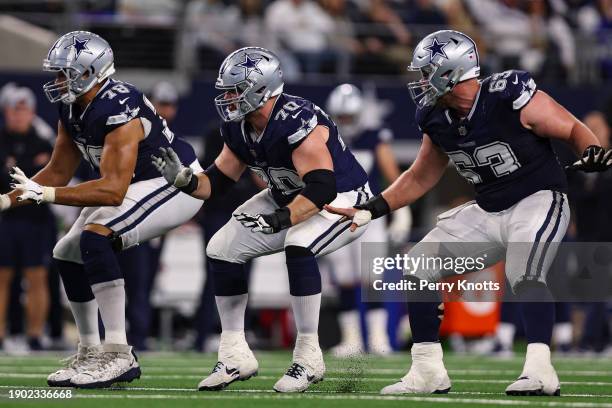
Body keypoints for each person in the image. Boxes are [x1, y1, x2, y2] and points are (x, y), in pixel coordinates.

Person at [325, 29, 611, 396]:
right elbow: (420, 175)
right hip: (488, 209)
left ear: (451, 71)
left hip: (538, 198)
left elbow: (570, 127)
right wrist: (371, 209)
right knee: (418, 266)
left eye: (427, 72)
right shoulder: (435, 116)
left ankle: (541, 369)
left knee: (524, 270)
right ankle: (427, 371)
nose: (421, 82)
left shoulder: (507, 94)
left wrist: (590, 149)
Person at [152, 46, 370, 393]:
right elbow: (217, 183)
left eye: (235, 90)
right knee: (221, 248)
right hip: (287, 196)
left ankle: (309, 357)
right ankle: (235, 352)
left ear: (261, 88)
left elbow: (322, 188)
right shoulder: (239, 127)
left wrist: (282, 219)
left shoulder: (296, 119)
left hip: (343, 199)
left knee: (299, 244)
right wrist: (186, 181)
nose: (227, 98)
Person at [0, 31, 203, 388]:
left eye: (64, 73)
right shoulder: (72, 104)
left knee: (96, 237)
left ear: (90, 71)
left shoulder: (119, 106)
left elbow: (111, 191)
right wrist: (6, 200)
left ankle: (118, 352)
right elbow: (59, 171)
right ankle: (91, 352)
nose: (57, 81)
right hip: (132, 186)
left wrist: (45, 195)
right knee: (67, 252)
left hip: (173, 183)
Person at [323, 83, 411, 356]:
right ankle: (351, 340)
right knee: (346, 279)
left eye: (350, 116)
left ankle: (377, 338)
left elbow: (393, 175)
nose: (346, 122)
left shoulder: (373, 137)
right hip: (334, 214)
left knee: (371, 278)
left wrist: (401, 210)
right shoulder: (325, 138)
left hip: (368, 214)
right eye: (342, 117)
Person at [0, 87, 54, 351]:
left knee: (37, 276)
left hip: (36, 219)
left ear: (31, 112)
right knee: (2, 277)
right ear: (6, 111)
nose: (19, 115)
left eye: (23, 109)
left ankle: (34, 334)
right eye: (14, 109)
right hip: (4, 219)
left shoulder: (44, 141)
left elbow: (47, 180)